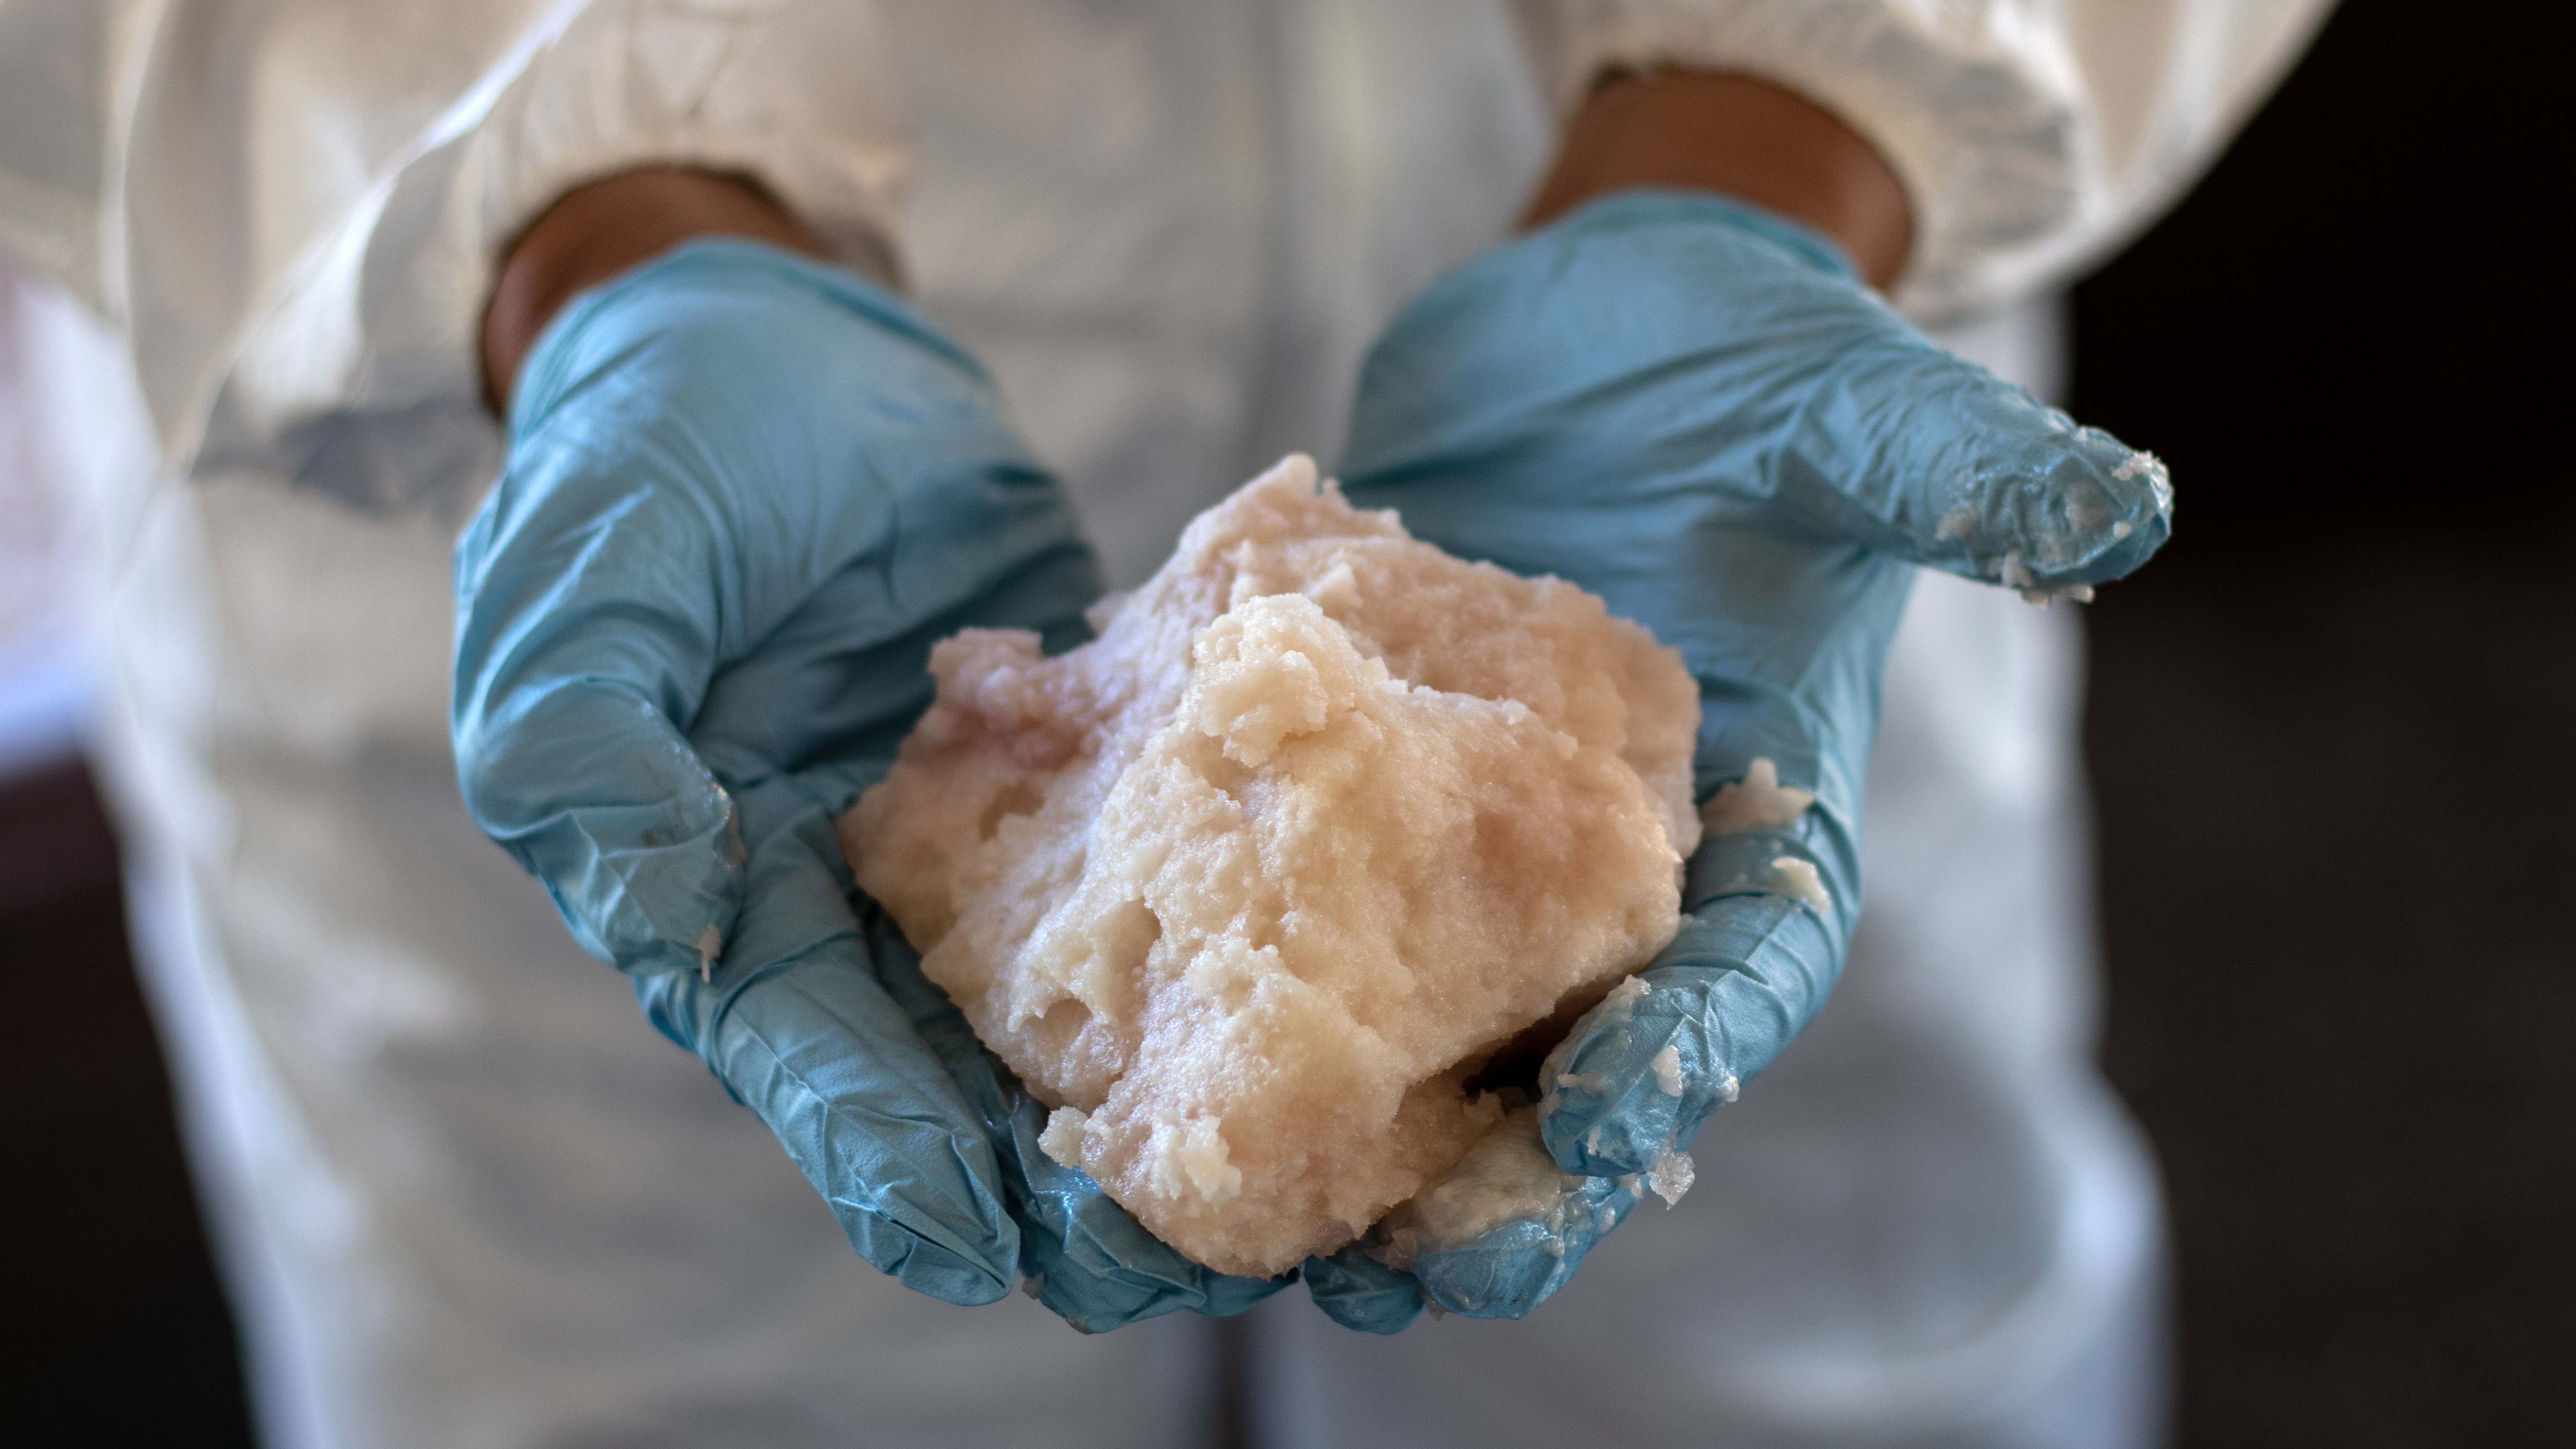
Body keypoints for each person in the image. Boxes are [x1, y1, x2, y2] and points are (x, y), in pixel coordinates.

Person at [0, 2, 2333, 1445]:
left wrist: (1792, 122)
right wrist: (580, 221)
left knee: (1805, 1358)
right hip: (607, 448)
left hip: (1707, 350)